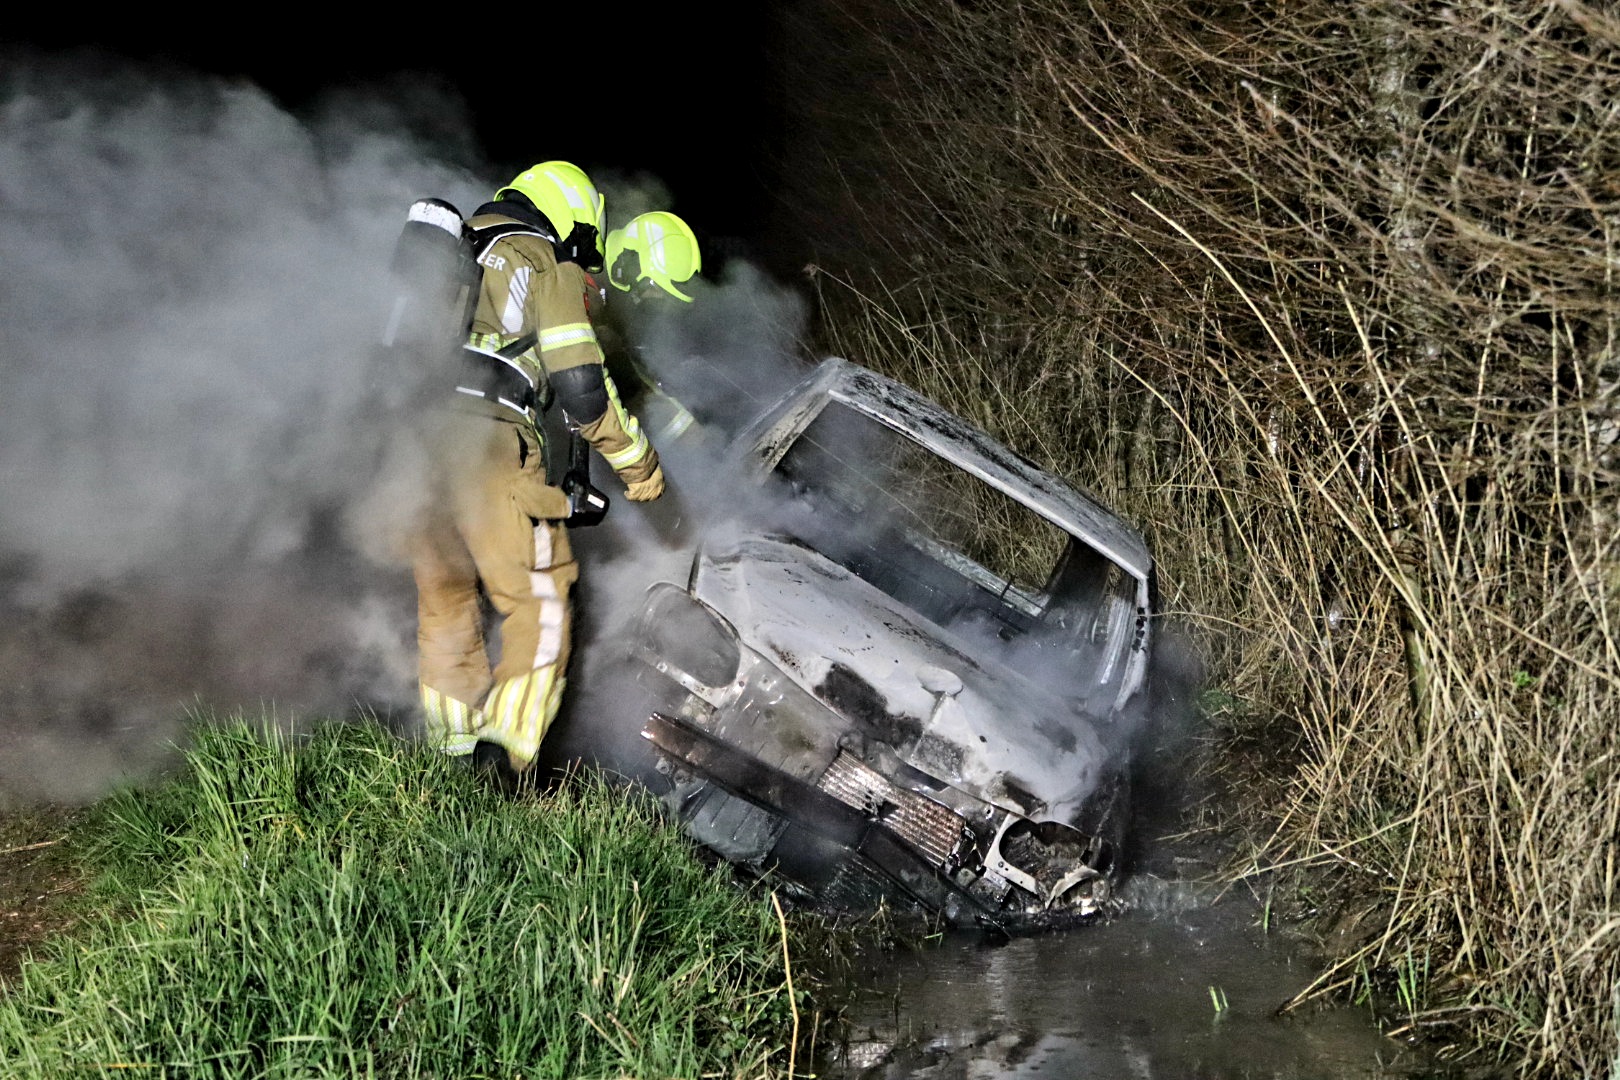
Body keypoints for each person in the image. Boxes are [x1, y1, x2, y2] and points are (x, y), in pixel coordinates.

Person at [411, 161, 664, 772]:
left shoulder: (456, 250)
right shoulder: (546, 261)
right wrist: (640, 468)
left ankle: (452, 752)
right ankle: (508, 757)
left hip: (413, 444)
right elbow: (581, 383)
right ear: (570, 218)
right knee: (540, 600)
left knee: (446, 597)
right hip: (491, 440)